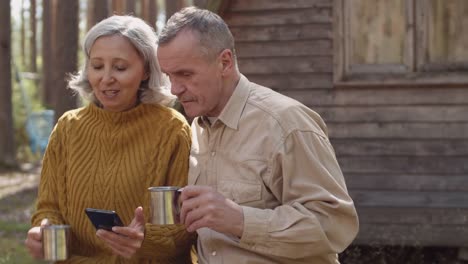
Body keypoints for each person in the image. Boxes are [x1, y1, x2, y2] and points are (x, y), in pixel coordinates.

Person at [156, 6, 359, 264]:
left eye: (185, 74)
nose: (175, 89)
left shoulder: (286, 123)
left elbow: (335, 226)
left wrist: (240, 220)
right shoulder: (198, 128)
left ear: (225, 62)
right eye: (169, 76)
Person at [25, 15, 195, 263]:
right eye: (97, 66)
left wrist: (143, 241)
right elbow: (49, 208)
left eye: (120, 67)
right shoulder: (67, 128)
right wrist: (41, 230)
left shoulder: (171, 129)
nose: (106, 78)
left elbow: (182, 231)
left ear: (146, 70)